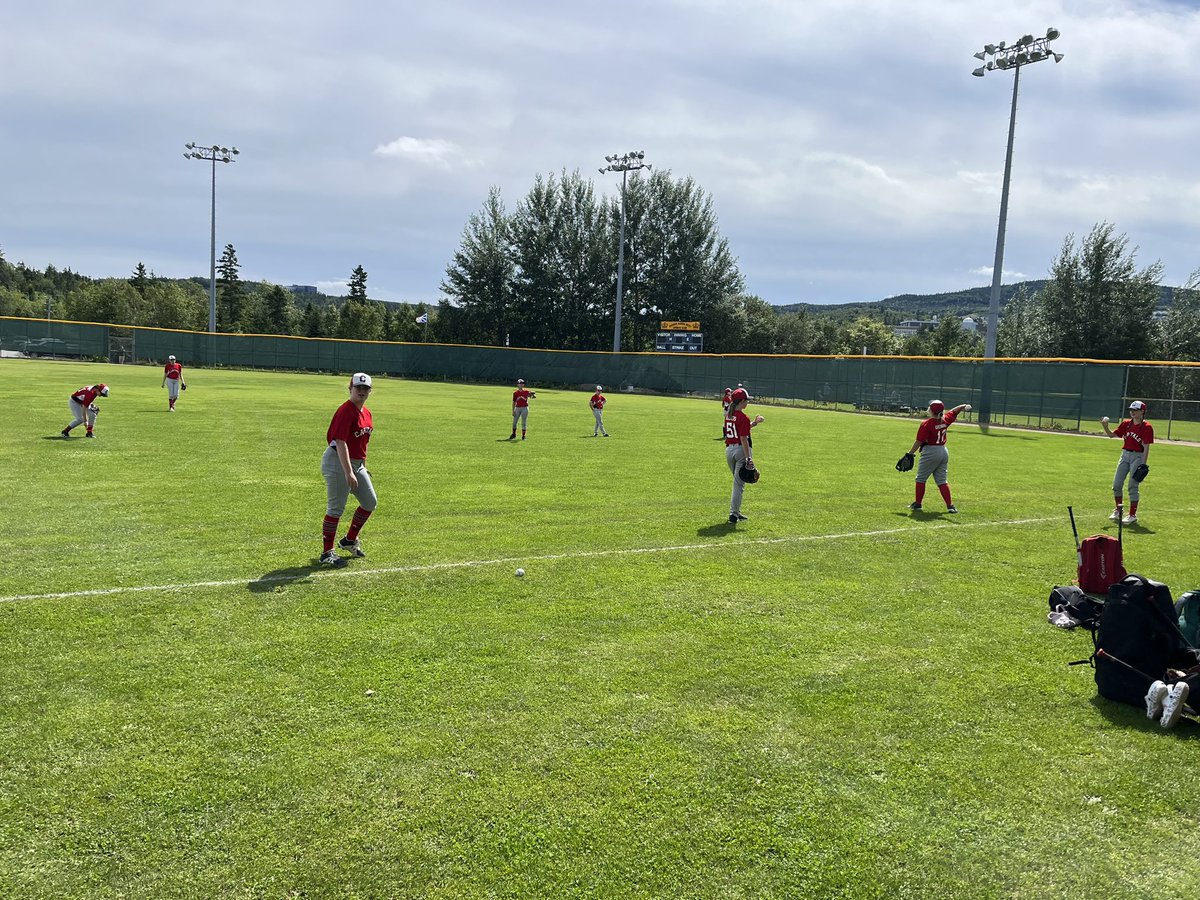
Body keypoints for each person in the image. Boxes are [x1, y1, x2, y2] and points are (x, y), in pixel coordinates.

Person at [319, 373, 376, 567]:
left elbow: (363, 442)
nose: (361, 391)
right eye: (357, 388)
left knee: (370, 502)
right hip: (337, 461)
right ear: (350, 388)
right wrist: (348, 471)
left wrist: (362, 467)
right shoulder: (346, 410)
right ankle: (327, 552)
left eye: (365, 388)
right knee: (336, 508)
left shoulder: (366, 413)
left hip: (356, 463)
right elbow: (341, 442)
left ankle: (349, 540)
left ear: (370, 391)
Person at [905, 399, 971, 513]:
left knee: (920, 479)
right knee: (942, 481)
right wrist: (963, 406)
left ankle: (918, 504)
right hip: (943, 451)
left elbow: (919, 441)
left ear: (931, 411)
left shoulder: (926, 424)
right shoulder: (945, 420)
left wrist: (909, 454)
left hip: (930, 452)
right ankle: (950, 506)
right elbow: (954, 412)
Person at [1101, 400, 1152, 526]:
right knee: (1116, 485)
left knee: (1132, 486)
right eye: (1131, 410)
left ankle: (1132, 515)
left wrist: (1143, 464)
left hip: (1137, 456)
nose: (1132, 412)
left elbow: (1146, 447)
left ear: (1142, 411)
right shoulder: (1126, 424)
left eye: (1135, 410)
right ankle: (1118, 510)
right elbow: (1112, 435)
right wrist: (1105, 426)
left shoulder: (1146, 427)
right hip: (1125, 455)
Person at [723, 387, 764, 525]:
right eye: (746, 400)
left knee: (737, 483)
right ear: (741, 401)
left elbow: (740, 427)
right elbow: (744, 438)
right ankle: (733, 515)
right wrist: (749, 458)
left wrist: (754, 423)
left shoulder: (729, 414)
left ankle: (736, 511)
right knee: (738, 485)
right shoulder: (743, 417)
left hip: (729, 451)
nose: (748, 402)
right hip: (741, 451)